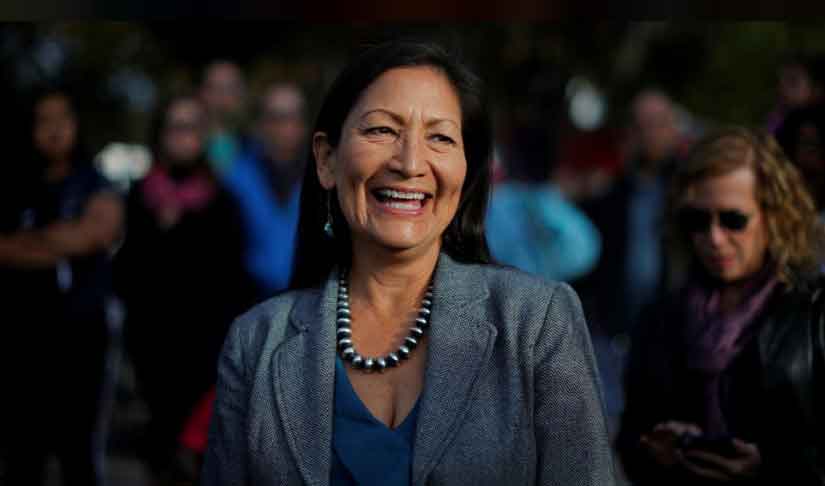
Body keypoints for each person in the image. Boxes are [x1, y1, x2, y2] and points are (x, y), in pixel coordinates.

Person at [202, 40, 615, 486]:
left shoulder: (536, 324)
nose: (410, 163)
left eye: (440, 137)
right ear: (327, 160)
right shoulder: (255, 343)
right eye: (381, 130)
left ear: (466, 171)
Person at [616, 127, 825, 485]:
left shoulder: (813, 312)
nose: (714, 238)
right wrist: (657, 450)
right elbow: (630, 438)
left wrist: (771, 468)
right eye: (698, 220)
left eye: (733, 220)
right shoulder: (662, 317)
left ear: (773, 217)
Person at [114, 92, 255, 482]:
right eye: (175, 127)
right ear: (160, 134)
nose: (182, 137)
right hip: (152, 348)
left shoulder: (222, 202)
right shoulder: (141, 196)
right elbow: (126, 271)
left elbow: (230, 278)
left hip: (203, 352)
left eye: (191, 128)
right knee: (160, 451)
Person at [0, 89, 124, 486]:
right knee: (22, 452)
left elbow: (94, 235)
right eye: (44, 120)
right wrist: (59, 243)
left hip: (82, 338)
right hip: (22, 337)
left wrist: (30, 242)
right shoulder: (15, 186)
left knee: (80, 453)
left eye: (62, 119)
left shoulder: (96, 183)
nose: (54, 130)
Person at [221, 81, 308, 297]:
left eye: (290, 116)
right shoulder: (235, 178)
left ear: (302, 124)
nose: (283, 126)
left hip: (307, 299)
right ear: (261, 124)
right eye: (275, 117)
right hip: (246, 300)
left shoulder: (324, 178)